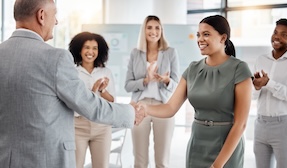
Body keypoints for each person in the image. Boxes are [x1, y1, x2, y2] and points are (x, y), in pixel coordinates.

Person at [0, 0, 144, 168]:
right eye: (54, 15)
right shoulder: (55, 58)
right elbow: (89, 105)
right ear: (41, 16)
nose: (56, 21)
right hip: (48, 161)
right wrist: (130, 113)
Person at [135, 15, 252, 168]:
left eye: (206, 34)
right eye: (198, 34)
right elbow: (170, 108)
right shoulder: (193, 69)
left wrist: (218, 165)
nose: (200, 39)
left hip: (226, 148)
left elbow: (240, 124)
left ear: (223, 38)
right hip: (197, 146)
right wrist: (145, 108)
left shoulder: (239, 69)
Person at [125, 15, 180, 168]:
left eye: (157, 27)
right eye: (149, 27)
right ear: (144, 30)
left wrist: (166, 80)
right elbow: (128, 85)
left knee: (162, 161)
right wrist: (145, 80)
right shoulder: (135, 53)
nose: (153, 31)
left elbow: (176, 84)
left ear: (161, 30)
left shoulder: (170, 52)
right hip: (140, 106)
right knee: (140, 160)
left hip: (163, 107)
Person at [252, 18, 287, 168]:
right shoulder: (261, 59)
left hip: (285, 125)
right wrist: (257, 87)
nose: (277, 37)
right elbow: (254, 95)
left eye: (284, 34)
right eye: (275, 32)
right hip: (260, 124)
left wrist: (269, 83)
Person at [69, 32, 115, 168]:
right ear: (79, 50)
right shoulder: (73, 72)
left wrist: (102, 90)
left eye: (94, 48)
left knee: (101, 165)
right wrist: (94, 90)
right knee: (75, 165)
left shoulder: (105, 72)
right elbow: (73, 101)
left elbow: (112, 100)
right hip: (78, 126)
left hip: (101, 126)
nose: (90, 51)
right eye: (86, 47)